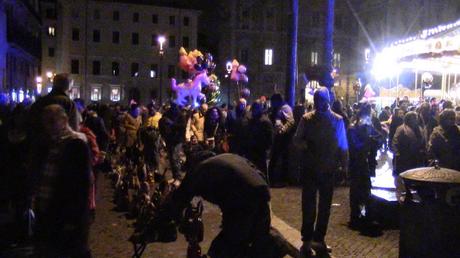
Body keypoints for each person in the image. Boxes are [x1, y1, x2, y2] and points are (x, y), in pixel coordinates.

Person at [161, 152, 292, 258]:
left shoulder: (200, 170)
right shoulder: (226, 159)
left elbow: (179, 198)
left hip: (243, 200)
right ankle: (278, 245)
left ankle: (277, 245)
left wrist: (163, 218)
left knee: (227, 245)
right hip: (261, 191)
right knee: (258, 236)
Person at [293, 87, 348, 257]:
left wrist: (345, 165)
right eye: (317, 101)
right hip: (313, 169)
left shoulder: (336, 120)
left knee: (323, 207)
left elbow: (343, 145)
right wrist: (306, 145)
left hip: (325, 169)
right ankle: (309, 241)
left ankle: (318, 239)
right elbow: (297, 140)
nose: (319, 104)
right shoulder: (307, 119)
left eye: (321, 101)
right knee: (311, 206)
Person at [34, 105, 92, 258]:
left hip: (67, 217)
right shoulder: (48, 143)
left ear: (65, 120)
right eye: (46, 122)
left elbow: (82, 186)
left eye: (53, 121)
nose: (49, 126)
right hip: (49, 214)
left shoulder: (76, 144)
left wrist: (74, 218)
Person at [347, 103, 382, 229]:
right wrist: (368, 141)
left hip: (364, 161)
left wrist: (374, 140)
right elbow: (354, 145)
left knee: (365, 188)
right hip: (356, 162)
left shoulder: (366, 125)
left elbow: (379, 136)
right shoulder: (353, 127)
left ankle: (365, 214)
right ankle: (355, 215)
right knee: (357, 188)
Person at [268, 94, 295, 187]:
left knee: (280, 157)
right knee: (276, 157)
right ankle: (274, 179)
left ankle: (281, 179)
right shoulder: (278, 109)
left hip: (283, 138)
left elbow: (291, 121)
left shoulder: (285, 108)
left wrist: (282, 130)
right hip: (278, 137)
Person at [392, 111, 426, 176]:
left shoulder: (419, 129)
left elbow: (422, 141)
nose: (415, 120)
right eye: (413, 118)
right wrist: (397, 154)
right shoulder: (401, 128)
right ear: (407, 119)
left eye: (416, 118)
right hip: (404, 158)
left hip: (416, 157)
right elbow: (395, 142)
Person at [247, 101, 273, 177]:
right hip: (254, 148)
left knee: (261, 169)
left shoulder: (264, 121)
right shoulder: (255, 120)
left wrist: (267, 148)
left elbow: (270, 137)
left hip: (260, 149)